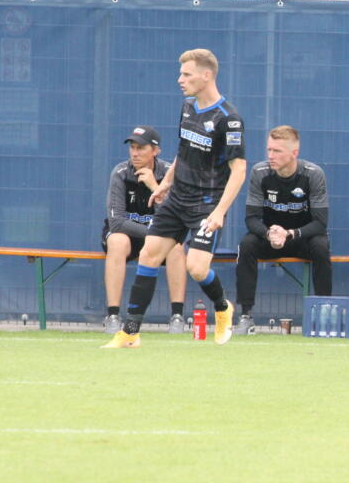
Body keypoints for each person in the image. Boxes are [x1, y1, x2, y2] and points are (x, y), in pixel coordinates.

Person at [102, 48, 246, 348]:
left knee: (196, 268)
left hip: (206, 204)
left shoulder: (228, 119)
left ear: (206, 76)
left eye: (186, 74)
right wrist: (165, 183)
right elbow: (183, 151)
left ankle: (222, 308)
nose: (180, 79)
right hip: (177, 199)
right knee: (148, 255)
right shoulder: (188, 107)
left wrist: (219, 212)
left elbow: (239, 170)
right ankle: (130, 333)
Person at [234, 125, 331, 335]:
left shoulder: (313, 174)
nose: (271, 155)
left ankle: (324, 314)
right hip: (271, 238)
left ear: (294, 153)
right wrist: (269, 233)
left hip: (301, 238)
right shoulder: (260, 172)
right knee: (247, 244)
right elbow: (251, 219)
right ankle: (246, 316)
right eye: (269, 150)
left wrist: (290, 233)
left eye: (277, 151)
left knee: (321, 245)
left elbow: (320, 223)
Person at [101, 125, 187, 334]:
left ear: (155, 151)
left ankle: (177, 317)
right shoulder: (120, 173)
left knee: (176, 247)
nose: (135, 153)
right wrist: (154, 235)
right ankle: (113, 316)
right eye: (132, 147)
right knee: (117, 240)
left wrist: (154, 187)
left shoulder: (168, 173)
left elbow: (174, 217)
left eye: (141, 148)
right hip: (131, 237)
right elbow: (117, 223)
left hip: (158, 237)